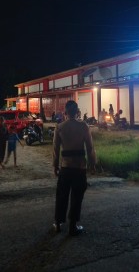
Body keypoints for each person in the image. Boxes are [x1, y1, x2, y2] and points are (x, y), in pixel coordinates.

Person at [53, 100, 96, 236]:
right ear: (77, 112)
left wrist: (55, 165)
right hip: (79, 167)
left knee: (62, 196)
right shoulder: (84, 126)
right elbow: (90, 147)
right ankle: (72, 226)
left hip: (65, 167)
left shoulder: (59, 127)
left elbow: (55, 150)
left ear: (65, 112)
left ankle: (59, 224)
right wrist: (92, 164)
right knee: (77, 197)